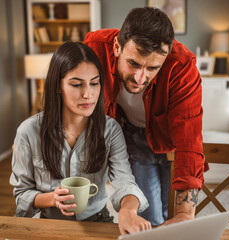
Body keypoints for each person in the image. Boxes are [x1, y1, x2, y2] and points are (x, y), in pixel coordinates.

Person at [10, 41, 151, 235]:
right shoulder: (28, 131)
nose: (88, 94)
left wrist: (128, 210)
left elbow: (125, 181)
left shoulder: (110, 130)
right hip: (48, 224)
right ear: (57, 86)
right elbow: (22, 194)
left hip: (97, 222)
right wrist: (52, 199)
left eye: (94, 83)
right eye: (76, 84)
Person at [84, 7, 205, 226]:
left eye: (152, 68)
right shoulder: (95, 49)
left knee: (175, 216)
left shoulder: (183, 67)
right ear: (117, 47)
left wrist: (185, 215)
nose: (140, 78)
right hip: (134, 138)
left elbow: (189, 142)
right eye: (134, 63)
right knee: (150, 217)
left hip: (172, 143)